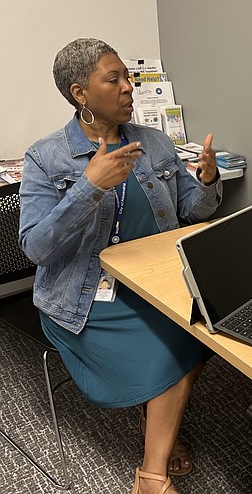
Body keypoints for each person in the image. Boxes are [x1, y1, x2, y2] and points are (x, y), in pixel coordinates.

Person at [19, 38, 223, 494]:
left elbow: (194, 209)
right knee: (174, 348)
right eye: (114, 79)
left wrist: (207, 182)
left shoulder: (153, 142)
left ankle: (156, 430)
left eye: (128, 76)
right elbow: (35, 248)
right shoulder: (44, 157)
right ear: (80, 94)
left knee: (210, 324)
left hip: (157, 283)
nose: (129, 87)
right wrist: (88, 186)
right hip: (85, 298)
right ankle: (154, 472)